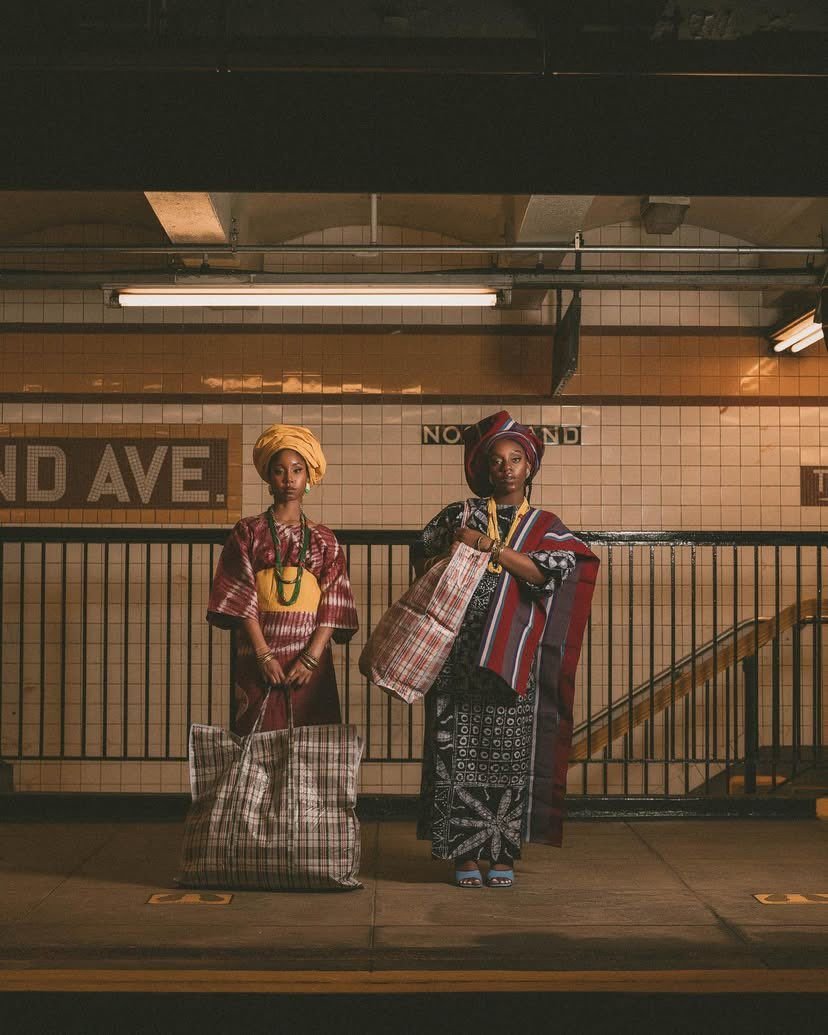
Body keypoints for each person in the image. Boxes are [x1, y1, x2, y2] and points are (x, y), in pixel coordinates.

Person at [412, 411, 599, 888]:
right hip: (457, 657)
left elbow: (548, 573)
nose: (507, 468)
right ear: (484, 469)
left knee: (507, 755)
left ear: (529, 467)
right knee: (454, 753)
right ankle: (462, 855)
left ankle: (502, 854)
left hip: (513, 659)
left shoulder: (546, 525)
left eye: (516, 459)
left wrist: (487, 548)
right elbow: (425, 550)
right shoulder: (460, 513)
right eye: (497, 461)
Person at [207, 424, 358, 734]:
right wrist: (263, 655)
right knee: (255, 741)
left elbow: (334, 600)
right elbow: (240, 594)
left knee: (311, 742)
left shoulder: (323, 539)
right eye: (279, 471)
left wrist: (311, 658)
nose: (289, 479)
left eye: (297, 470)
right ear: (268, 478)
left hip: (308, 660)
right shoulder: (248, 532)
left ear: (308, 478)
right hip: (257, 655)